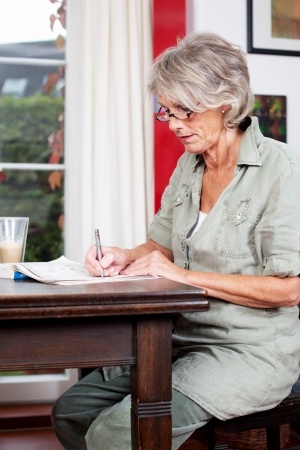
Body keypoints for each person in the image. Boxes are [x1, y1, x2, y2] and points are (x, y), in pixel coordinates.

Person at [52, 31, 300, 450]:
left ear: (225, 103)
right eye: (167, 112)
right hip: (175, 339)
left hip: (247, 353)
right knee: (71, 412)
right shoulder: (190, 165)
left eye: (186, 111)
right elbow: (160, 249)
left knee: (113, 434)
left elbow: (289, 289)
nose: (175, 125)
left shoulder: (281, 168)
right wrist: (122, 255)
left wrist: (182, 276)